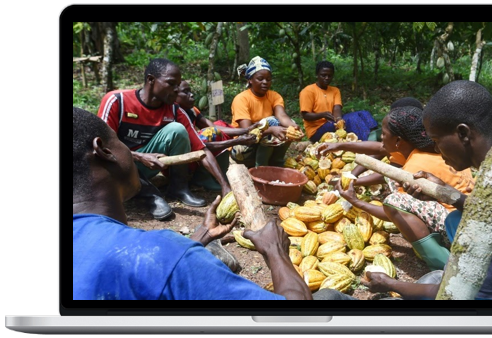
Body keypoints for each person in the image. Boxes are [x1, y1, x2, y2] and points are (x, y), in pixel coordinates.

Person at [73, 106, 313, 300]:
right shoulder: (166, 256)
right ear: (103, 150)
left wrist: (200, 236)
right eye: (119, 141)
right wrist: (275, 250)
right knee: (330, 298)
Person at [362, 80, 492, 300]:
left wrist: (391, 284)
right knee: (454, 219)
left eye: (436, 140)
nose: (434, 149)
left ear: (463, 133)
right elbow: (480, 207)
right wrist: (444, 191)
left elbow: (459, 296)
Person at [334, 105, 475, 271]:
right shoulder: (428, 150)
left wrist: (356, 201)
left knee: (394, 201)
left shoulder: (415, 166)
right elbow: (383, 159)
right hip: (469, 216)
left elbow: (391, 213)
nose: (381, 141)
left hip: (459, 229)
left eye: (383, 136)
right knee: (394, 179)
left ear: (399, 141)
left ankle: (441, 261)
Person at [97, 58, 231, 221]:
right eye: (171, 83)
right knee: (106, 157)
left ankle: (179, 188)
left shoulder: (175, 110)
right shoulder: (118, 101)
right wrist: (140, 157)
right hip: (119, 164)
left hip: (148, 164)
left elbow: (201, 150)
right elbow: (102, 145)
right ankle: (150, 196)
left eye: (178, 84)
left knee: (177, 130)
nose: (176, 89)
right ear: (151, 80)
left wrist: (225, 186)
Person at [175, 80, 258, 191]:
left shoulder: (192, 110)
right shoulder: (173, 114)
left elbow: (213, 126)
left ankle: (213, 176)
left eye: (190, 91)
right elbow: (198, 145)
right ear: (174, 94)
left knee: (220, 126)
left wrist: (246, 130)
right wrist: (237, 141)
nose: (191, 94)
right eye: (185, 92)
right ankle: (201, 179)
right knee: (210, 134)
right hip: (184, 159)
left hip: (198, 150)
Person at [229, 56, 302, 168]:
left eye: (268, 79)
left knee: (288, 124)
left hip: (261, 140)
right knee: (271, 122)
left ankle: (276, 161)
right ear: (250, 80)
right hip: (242, 146)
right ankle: (261, 167)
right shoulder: (241, 99)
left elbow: (282, 115)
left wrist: (294, 127)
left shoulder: (274, 96)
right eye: (260, 79)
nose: (265, 82)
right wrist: (271, 130)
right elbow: (247, 130)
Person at [299, 60, 343, 143]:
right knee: (351, 121)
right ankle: (364, 146)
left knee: (362, 113)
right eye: (323, 75)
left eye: (329, 76)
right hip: (316, 131)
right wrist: (322, 115)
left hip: (332, 123)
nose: (327, 78)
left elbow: (337, 108)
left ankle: (372, 138)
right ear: (317, 75)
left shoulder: (335, 90)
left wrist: (339, 120)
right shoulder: (308, 91)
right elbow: (305, 115)